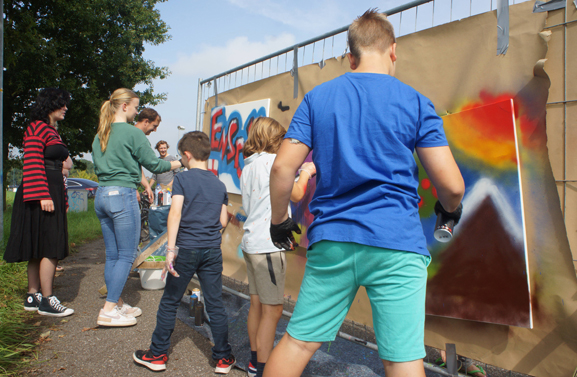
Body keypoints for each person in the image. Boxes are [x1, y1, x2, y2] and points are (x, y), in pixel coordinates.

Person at [265, 9, 465, 377]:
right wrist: (449, 210)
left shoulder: (317, 98)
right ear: (393, 50)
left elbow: (282, 168)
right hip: (397, 243)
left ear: (349, 56)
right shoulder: (416, 102)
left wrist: (280, 221)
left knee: (297, 342)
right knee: (402, 358)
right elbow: (452, 186)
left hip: (333, 240)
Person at [133, 131, 236, 374]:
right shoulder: (219, 184)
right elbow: (222, 221)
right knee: (215, 304)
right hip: (212, 250)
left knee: (169, 301)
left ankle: (157, 355)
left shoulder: (182, 180)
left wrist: (170, 250)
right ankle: (223, 358)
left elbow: (175, 213)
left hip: (186, 249)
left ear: (187, 156)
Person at [92, 88, 183, 327]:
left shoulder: (102, 132)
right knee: (126, 255)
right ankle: (108, 309)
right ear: (124, 107)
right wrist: (182, 161)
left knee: (112, 255)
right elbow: (154, 163)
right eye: (134, 107)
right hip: (121, 195)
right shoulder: (132, 133)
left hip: (101, 194)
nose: (135, 111)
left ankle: (118, 304)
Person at [240, 117, 316, 377]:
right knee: (272, 311)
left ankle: (253, 360)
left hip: (251, 243)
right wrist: (306, 172)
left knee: (256, 305)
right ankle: (262, 368)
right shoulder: (271, 162)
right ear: (274, 139)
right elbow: (295, 193)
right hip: (268, 244)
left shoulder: (248, 164)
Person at [4, 88, 74, 317]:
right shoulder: (37, 128)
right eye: (61, 103)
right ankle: (47, 299)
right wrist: (43, 195)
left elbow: (64, 165)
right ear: (49, 104)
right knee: (49, 246)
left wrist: (59, 197)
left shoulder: (51, 130)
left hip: (50, 190)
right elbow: (32, 161)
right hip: (41, 192)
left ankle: (32, 296)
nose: (65, 108)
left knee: (37, 245)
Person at [134, 108, 162, 203]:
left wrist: (147, 186)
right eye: (154, 126)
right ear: (146, 121)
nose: (155, 130)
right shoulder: (136, 136)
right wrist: (179, 163)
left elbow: (135, 166)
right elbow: (154, 165)